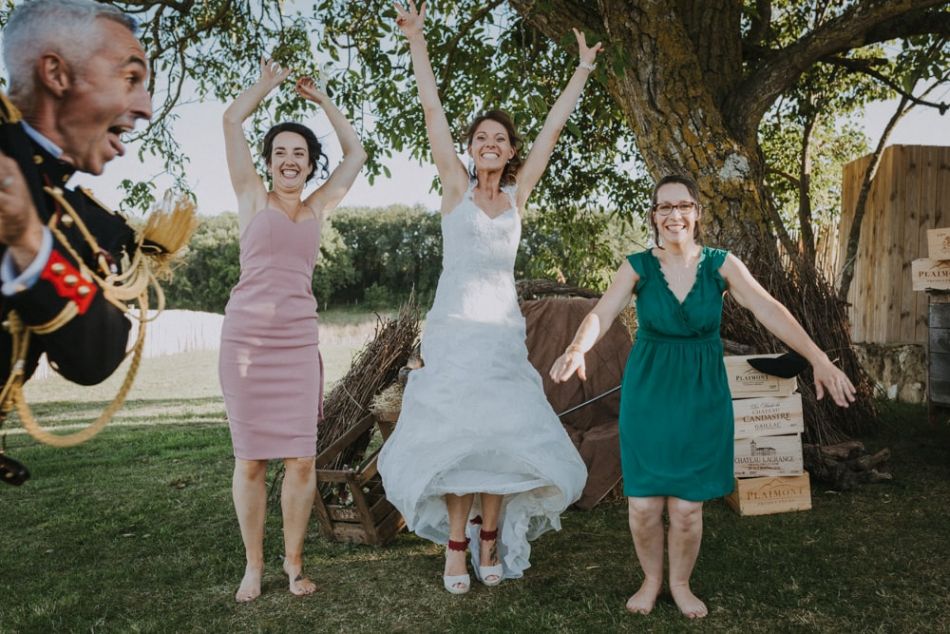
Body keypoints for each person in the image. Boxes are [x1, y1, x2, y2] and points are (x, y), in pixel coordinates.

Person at [550, 174, 857, 618]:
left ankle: (679, 583)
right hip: (650, 394)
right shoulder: (637, 266)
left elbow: (768, 307)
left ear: (696, 213)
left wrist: (818, 358)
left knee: (688, 509)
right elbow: (602, 311)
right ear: (654, 215)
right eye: (664, 207)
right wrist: (578, 346)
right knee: (643, 506)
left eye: (683, 206)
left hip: (701, 395)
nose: (674, 215)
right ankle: (652, 580)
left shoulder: (720, 264)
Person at [378, 0, 598, 594]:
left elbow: (552, 131)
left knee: (500, 436)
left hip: (501, 332)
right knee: (459, 436)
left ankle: (492, 536)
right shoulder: (456, 190)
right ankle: (456, 543)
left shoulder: (518, 197)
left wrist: (580, 70)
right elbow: (431, 112)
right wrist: (418, 42)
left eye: (500, 138)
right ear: (471, 149)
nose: (490, 144)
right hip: (455, 330)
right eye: (481, 137)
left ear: (510, 151)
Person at [219, 58, 366, 602]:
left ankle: (293, 564)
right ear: (269, 163)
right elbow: (232, 122)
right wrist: (266, 84)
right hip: (246, 346)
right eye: (279, 152)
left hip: (298, 343)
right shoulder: (251, 198)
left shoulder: (318, 207)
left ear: (308, 165)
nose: (288, 160)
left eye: (298, 154)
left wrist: (324, 100)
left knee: (302, 458)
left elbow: (356, 155)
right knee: (251, 458)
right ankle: (254, 565)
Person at [0, 0, 153, 483]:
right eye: (130, 78)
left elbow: (97, 357)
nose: (146, 108)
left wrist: (28, 241)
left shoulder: (84, 222)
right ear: (56, 74)